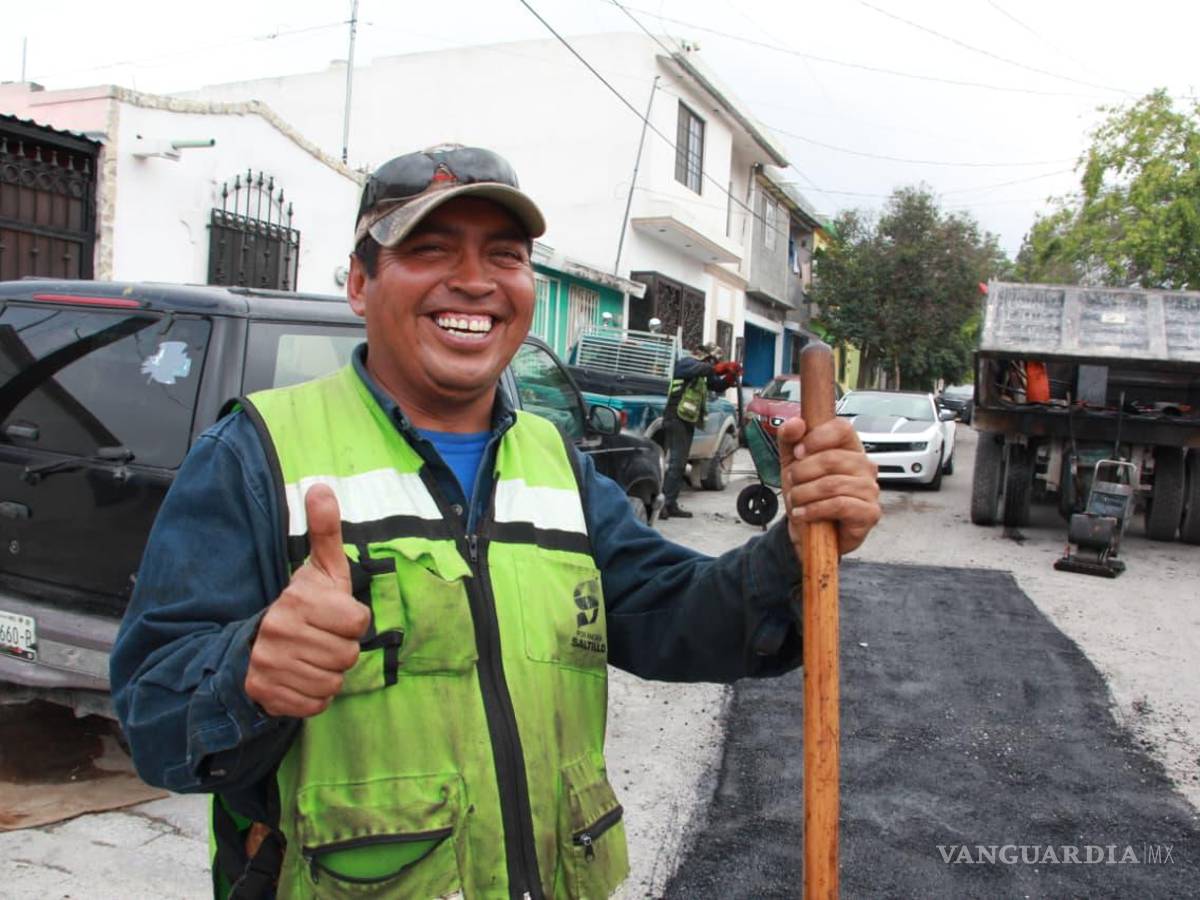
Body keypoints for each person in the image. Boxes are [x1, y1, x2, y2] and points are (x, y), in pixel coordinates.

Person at [110, 144, 881, 899]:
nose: (474, 282)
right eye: (429, 249)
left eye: (504, 255)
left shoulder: (556, 463)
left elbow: (677, 616)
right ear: (357, 282)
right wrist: (249, 673)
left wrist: (796, 543)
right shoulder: (255, 455)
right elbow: (151, 716)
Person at [658, 343, 741, 519]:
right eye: (713, 361)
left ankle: (670, 503)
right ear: (706, 357)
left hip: (686, 420)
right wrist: (719, 367)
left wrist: (729, 378)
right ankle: (664, 505)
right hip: (675, 419)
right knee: (676, 464)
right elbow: (699, 369)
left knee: (678, 465)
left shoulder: (702, 371)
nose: (713, 365)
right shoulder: (686, 363)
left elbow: (716, 385)